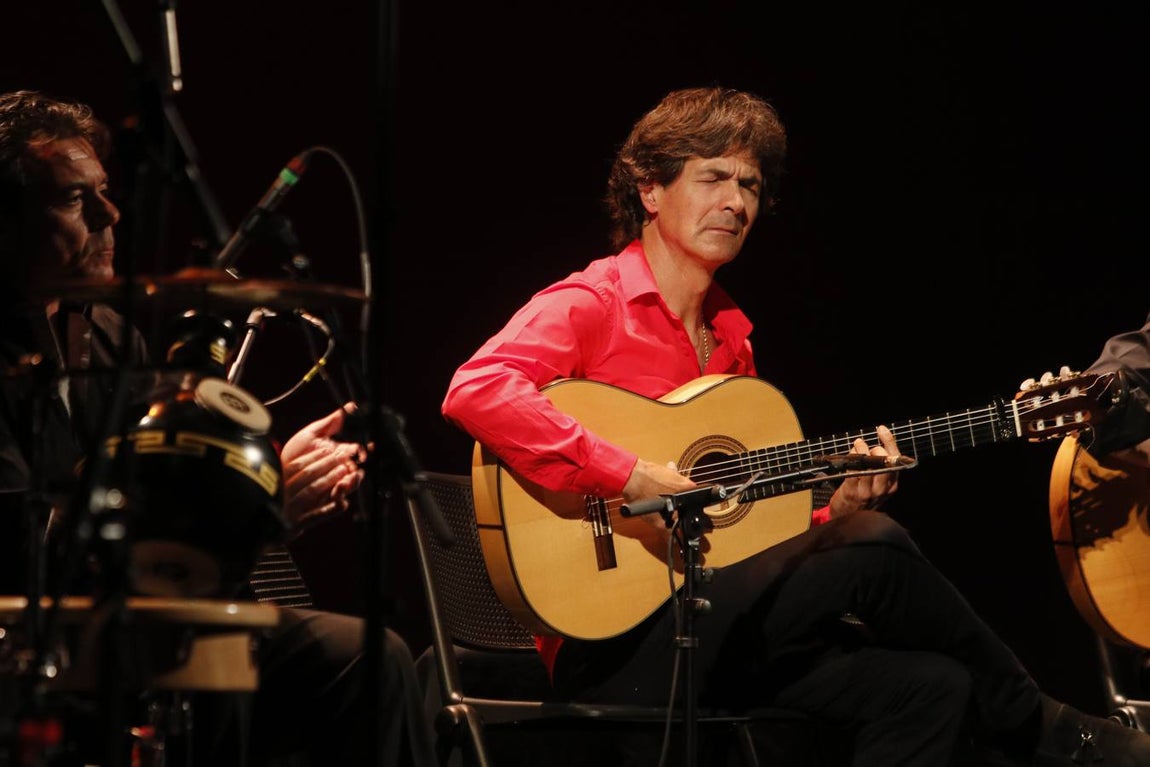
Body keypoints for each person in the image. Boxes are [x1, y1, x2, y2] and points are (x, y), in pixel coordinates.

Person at [441, 85, 1150, 766]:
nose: (735, 202)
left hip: (717, 620)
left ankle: (1029, 721)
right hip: (612, 644)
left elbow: (750, 532)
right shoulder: (592, 301)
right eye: (713, 176)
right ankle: (1047, 728)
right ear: (649, 190)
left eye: (750, 185)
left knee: (930, 685)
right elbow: (475, 388)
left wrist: (832, 511)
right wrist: (628, 472)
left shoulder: (732, 342)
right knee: (874, 544)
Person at [0, 89, 435, 767]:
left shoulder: (110, 335)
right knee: (208, 667)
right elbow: (30, 546)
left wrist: (258, 494)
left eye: (105, 192)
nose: (111, 215)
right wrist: (256, 514)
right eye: (73, 199)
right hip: (34, 636)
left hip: (137, 615)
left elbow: (163, 496)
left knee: (371, 657)